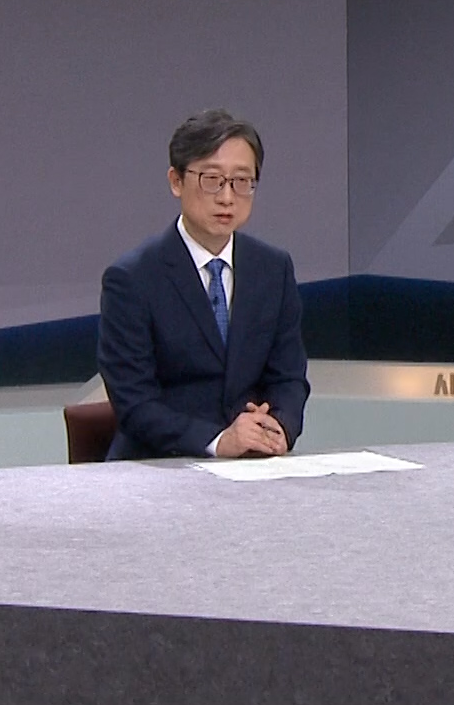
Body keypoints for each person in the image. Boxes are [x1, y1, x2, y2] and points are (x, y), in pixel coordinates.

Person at [97, 109, 310, 460]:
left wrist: (279, 427)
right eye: (212, 179)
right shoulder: (132, 279)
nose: (227, 197)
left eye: (242, 181)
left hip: (251, 466)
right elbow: (135, 403)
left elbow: (289, 377)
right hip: (159, 467)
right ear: (176, 181)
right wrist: (218, 441)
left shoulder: (273, 269)